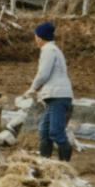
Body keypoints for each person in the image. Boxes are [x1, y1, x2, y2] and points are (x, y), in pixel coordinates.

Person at [24, 21, 74, 161]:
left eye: (35, 37)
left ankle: (64, 165)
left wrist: (33, 88)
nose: (35, 40)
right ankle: (45, 162)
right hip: (53, 96)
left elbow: (43, 74)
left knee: (56, 132)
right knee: (44, 131)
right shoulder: (53, 50)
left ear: (40, 37)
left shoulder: (48, 51)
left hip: (58, 95)